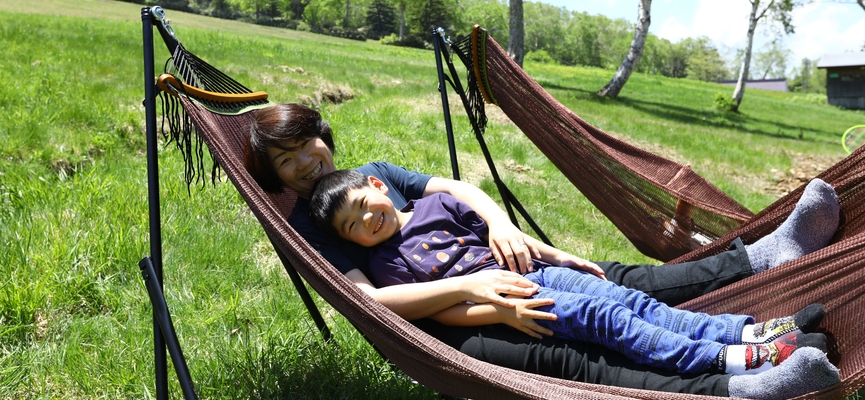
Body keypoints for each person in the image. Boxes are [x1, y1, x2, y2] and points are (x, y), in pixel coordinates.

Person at [243, 103, 842, 397]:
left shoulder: (368, 176)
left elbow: (451, 191)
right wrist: (475, 292)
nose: (302, 164)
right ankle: (733, 383)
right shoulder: (316, 224)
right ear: (273, 175)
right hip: (452, 317)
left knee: (619, 287)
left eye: (305, 145)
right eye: (285, 161)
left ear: (323, 136)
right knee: (583, 356)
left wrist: (509, 229)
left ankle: (757, 278)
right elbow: (371, 299)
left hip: (502, 266)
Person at [306, 169, 835, 397]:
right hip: (516, 300)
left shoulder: (435, 205)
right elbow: (427, 311)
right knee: (611, 321)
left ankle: (747, 335)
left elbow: (496, 233)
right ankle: (731, 364)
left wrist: (553, 254)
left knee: (629, 300)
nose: (365, 223)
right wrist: (495, 309)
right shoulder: (385, 265)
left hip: (535, 271)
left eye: (362, 207)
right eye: (352, 227)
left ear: (378, 185)